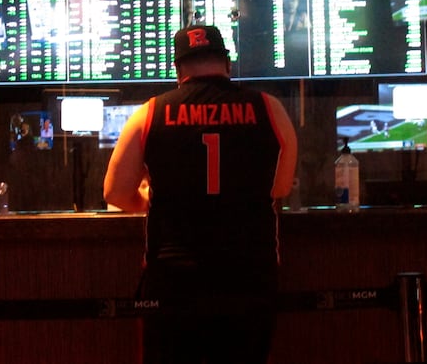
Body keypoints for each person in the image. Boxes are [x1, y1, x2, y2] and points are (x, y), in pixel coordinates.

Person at [103, 25, 298, 364]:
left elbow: (115, 192)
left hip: (175, 280)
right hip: (250, 277)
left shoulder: (149, 114)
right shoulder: (270, 109)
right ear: (227, 63)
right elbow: (280, 188)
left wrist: (150, 198)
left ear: (178, 70)